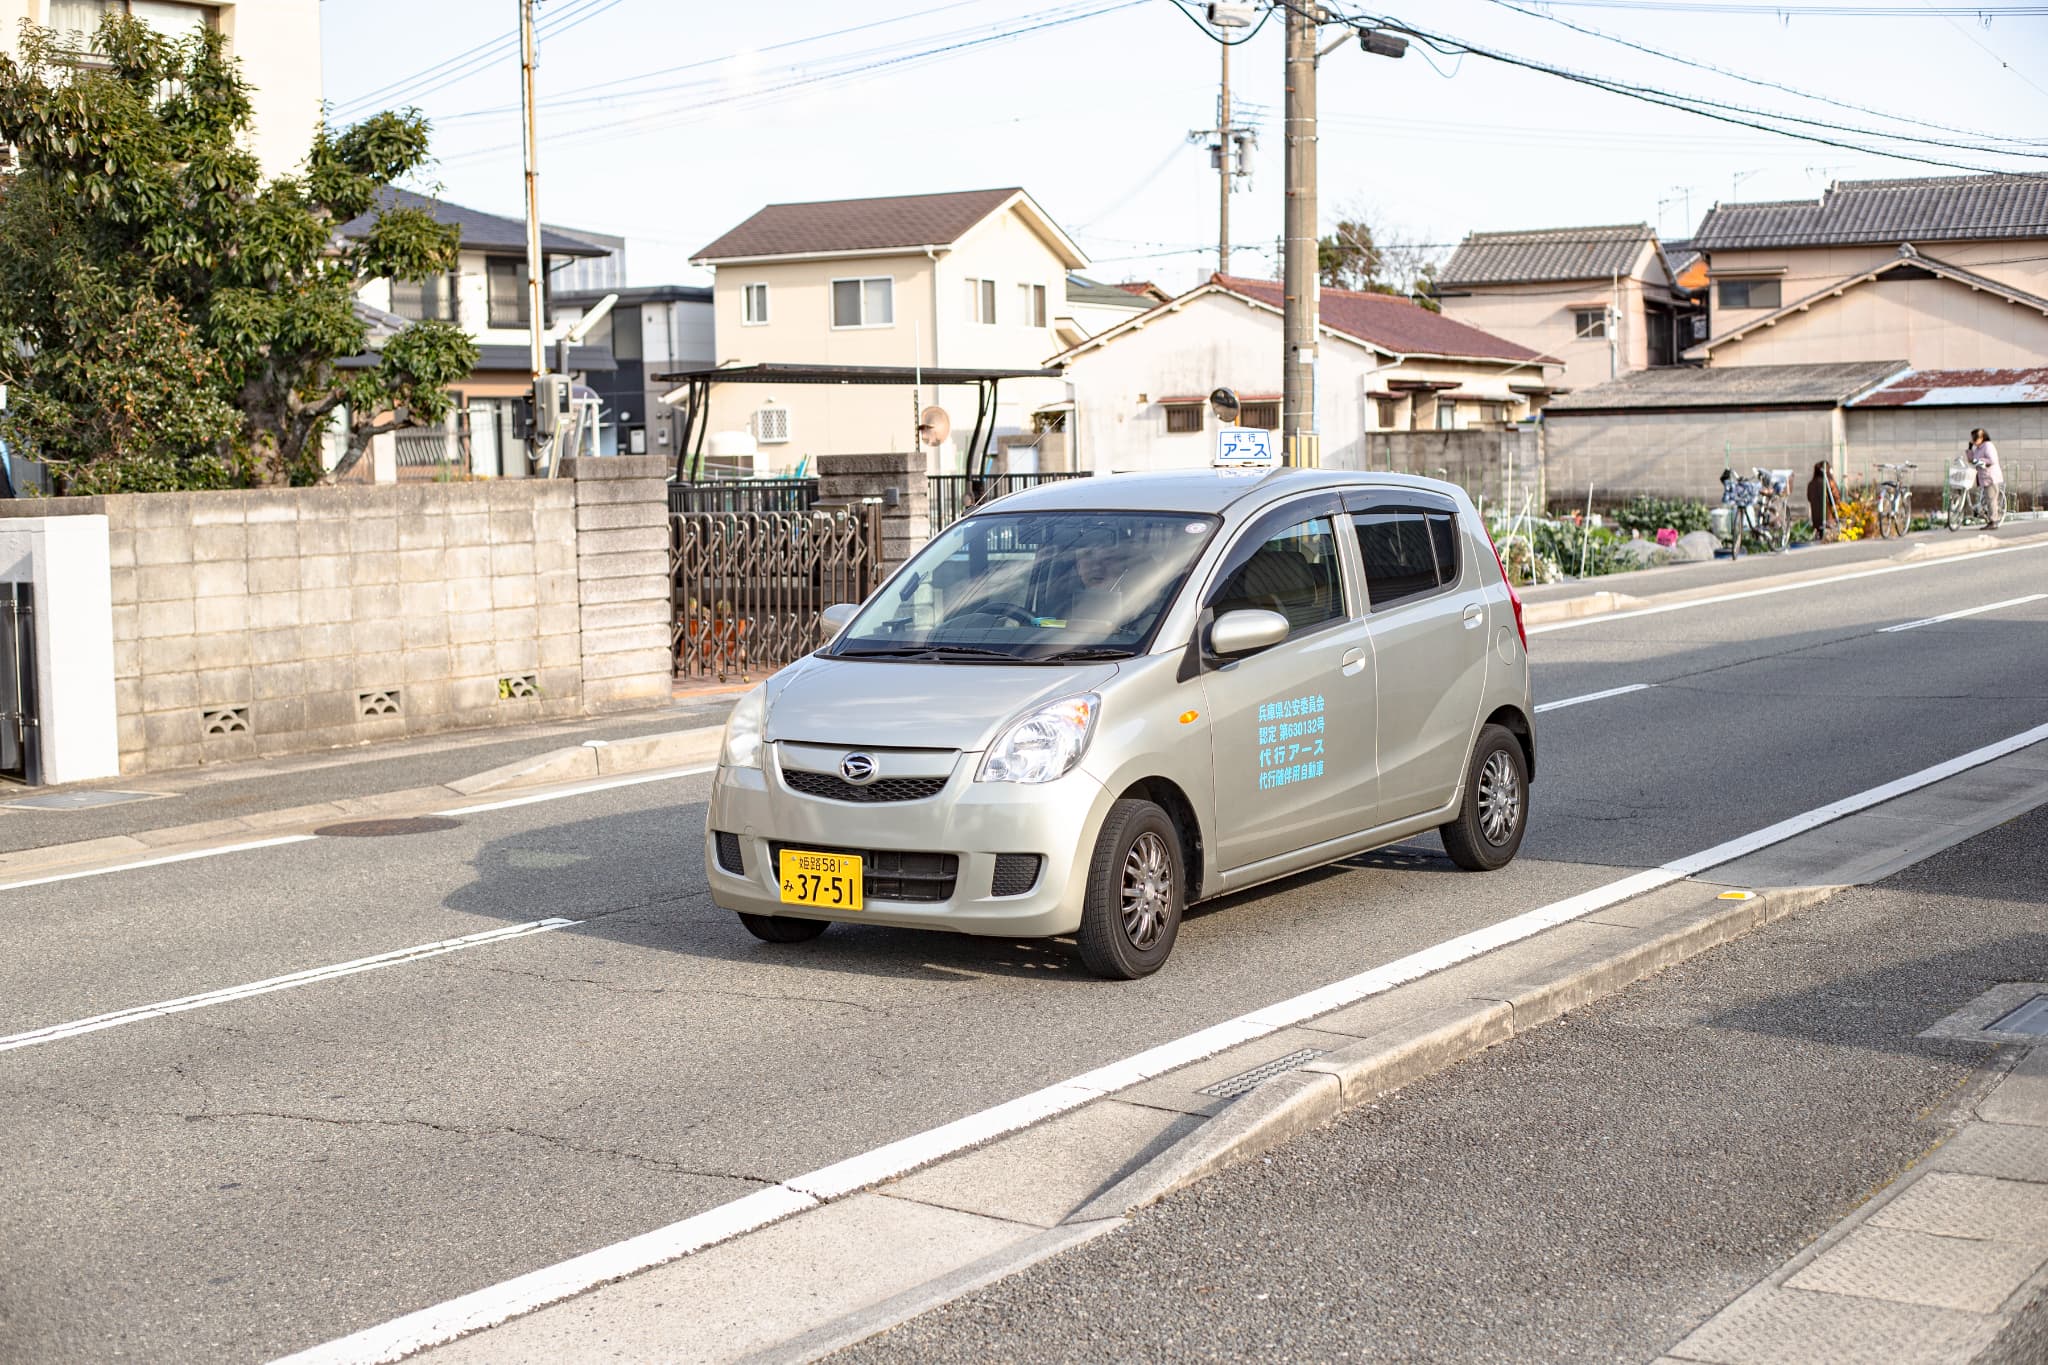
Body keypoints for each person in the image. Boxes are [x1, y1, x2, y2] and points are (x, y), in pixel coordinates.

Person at [1967, 428, 2005, 528]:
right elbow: (1971, 460)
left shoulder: (1988, 446)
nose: (1973, 440)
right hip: (1983, 477)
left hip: (1990, 477)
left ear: (1982, 438)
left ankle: (1993, 522)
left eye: (1975, 438)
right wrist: (1970, 448)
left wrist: (1979, 460)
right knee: (1987, 499)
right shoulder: (1979, 448)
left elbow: (1992, 460)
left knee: (1991, 499)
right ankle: (1989, 519)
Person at [1805, 460, 1840, 541]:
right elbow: (1836, 497)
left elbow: (1809, 498)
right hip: (1829, 517)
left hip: (1816, 519)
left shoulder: (1811, 484)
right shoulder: (1828, 482)